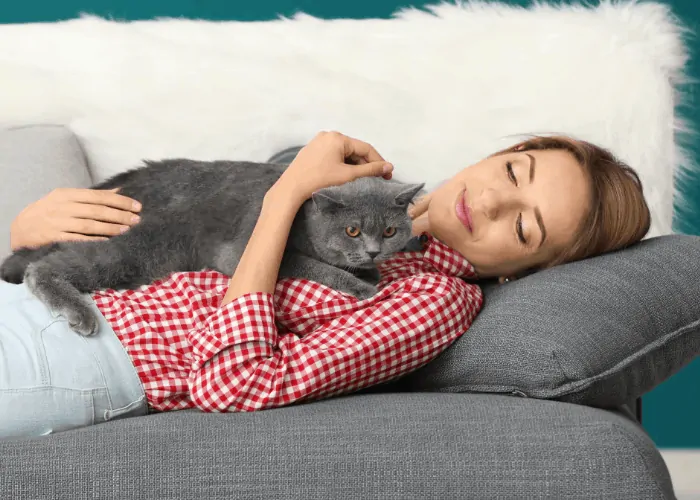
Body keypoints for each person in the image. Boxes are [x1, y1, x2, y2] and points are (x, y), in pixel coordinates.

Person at [0, 131, 650, 439]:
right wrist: (30, 235)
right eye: (513, 171)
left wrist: (286, 196)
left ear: (521, 270)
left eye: (525, 229)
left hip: (88, 355)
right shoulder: (366, 185)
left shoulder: (434, 300)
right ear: (493, 154)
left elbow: (236, 384)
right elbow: (184, 213)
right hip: (45, 295)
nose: (490, 203)